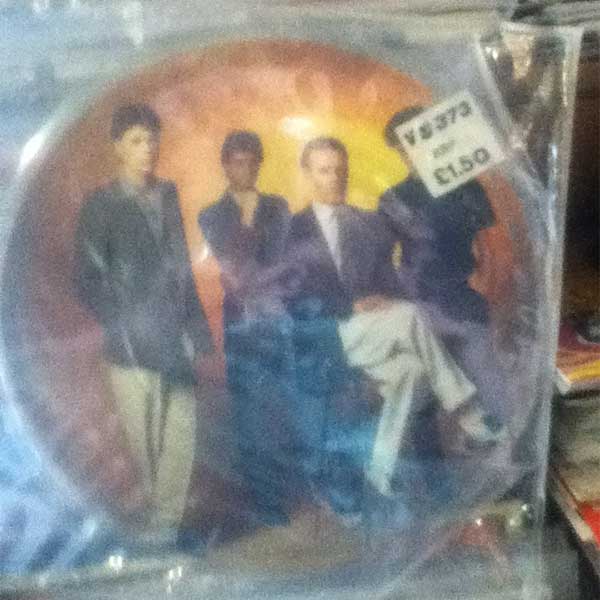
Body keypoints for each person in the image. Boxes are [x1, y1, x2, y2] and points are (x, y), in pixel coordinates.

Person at [285, 137, 501, 499]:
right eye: (324, 171)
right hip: (325, 333)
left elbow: (389, 280)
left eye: (340, 170)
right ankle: (469, 413)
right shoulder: (291, 231)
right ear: (307, 174)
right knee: (410, 316)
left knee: (411, 372)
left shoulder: (366, 223)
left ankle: (380, 469)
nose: (336, 178)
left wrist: (387, 300)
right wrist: (350, 306)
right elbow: (288, 298)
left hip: (373, 332)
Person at [73, 104, 215, 538]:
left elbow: (182, 269)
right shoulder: (101, 205)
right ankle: (158, 519)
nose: (147, 149)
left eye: (152, 139)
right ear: (117, 147)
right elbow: (87, 280)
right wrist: (124, 327)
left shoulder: (167, 195)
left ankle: (167, 522)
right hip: (132, 345)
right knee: (145, 438)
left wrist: (196, 331)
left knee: (181, 432)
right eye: (136, 141)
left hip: (175, 336)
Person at [380, 107, 507, 422]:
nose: (410, 153)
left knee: (491, 390)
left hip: (463, 300)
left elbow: (491, 244)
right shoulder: (394, 196)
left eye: (415, 141)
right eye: (402, 146)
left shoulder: (468, 188)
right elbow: (381, 257)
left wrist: (484, 286)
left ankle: (498, 438)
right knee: (419, 396)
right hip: (416, 305)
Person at [198, 130, 293, 525]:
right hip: (242, 323)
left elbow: (279, 259)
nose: (247, 169)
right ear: (225, 165)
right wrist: (252, 224)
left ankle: (286, 493)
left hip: (280, 317)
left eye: (253, 161)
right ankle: (265, 501)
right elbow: (234, 265)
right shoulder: (211, 214)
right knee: (250, 413)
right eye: (238, 161)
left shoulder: (278, 206)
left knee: (282, 406)